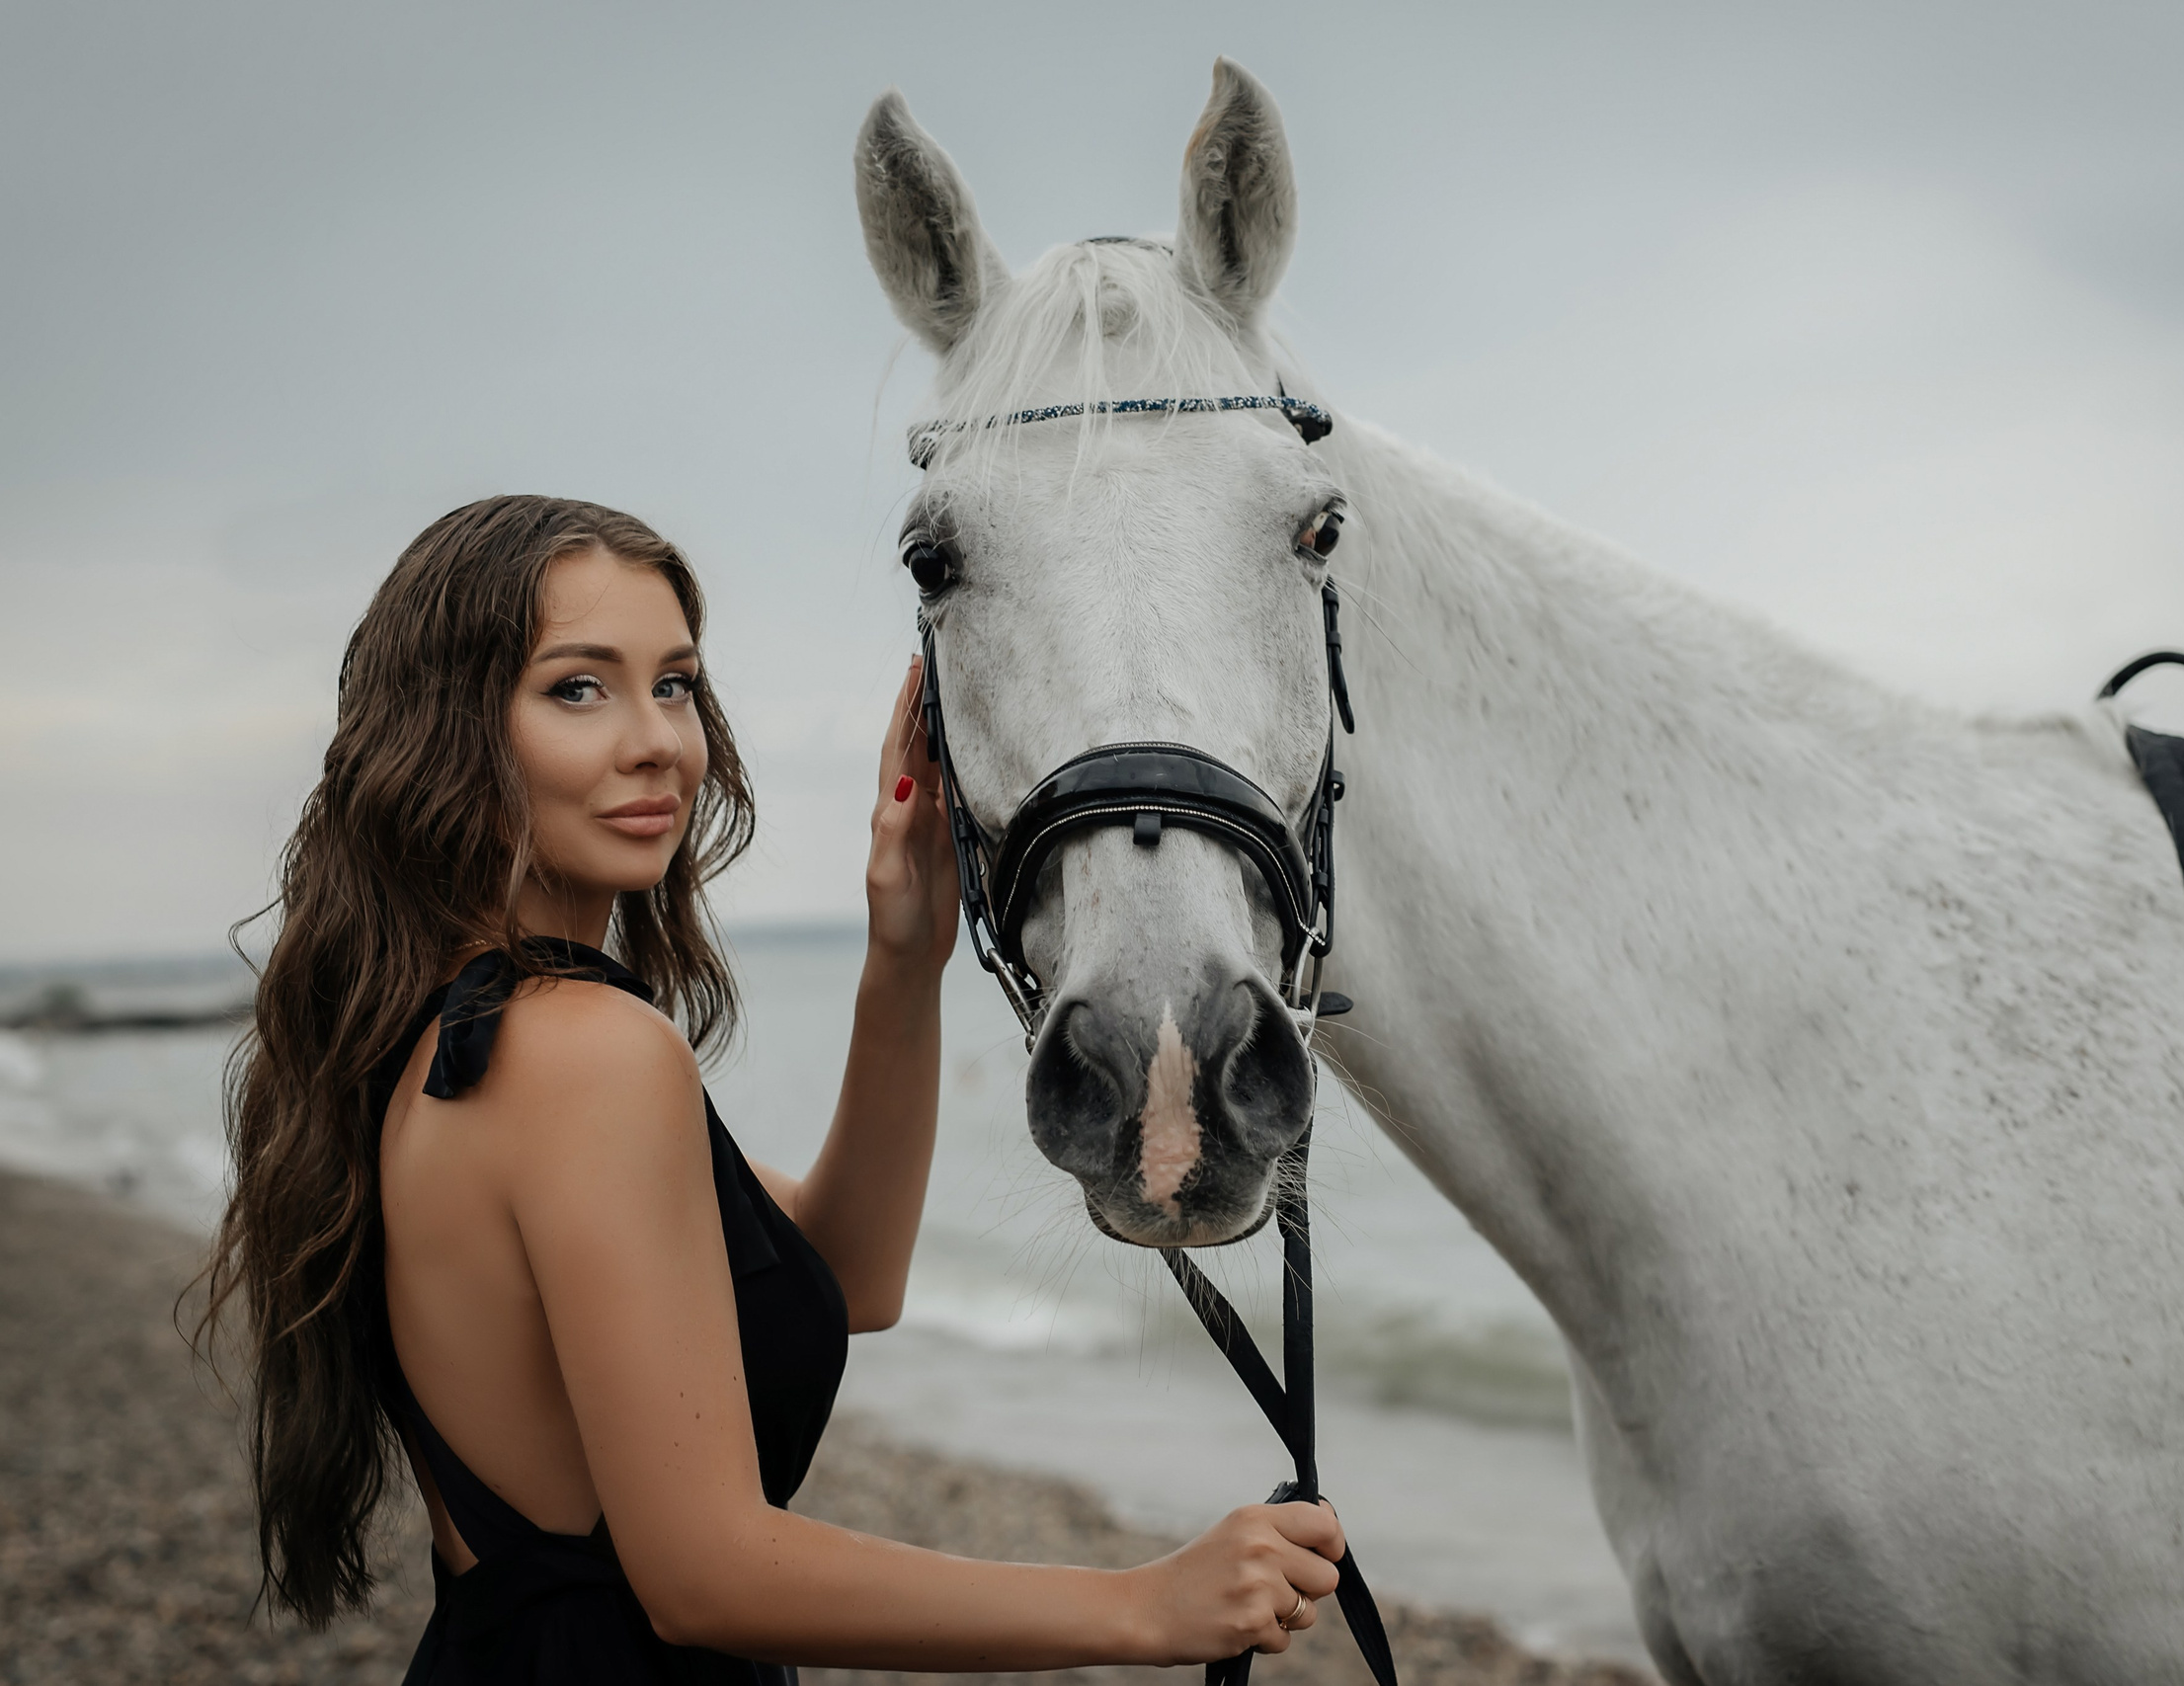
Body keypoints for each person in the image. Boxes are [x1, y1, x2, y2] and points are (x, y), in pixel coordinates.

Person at [199, 494, 1344, 1682]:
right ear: (449, 730)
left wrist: (902, 958)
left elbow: (846, 1275)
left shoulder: (460, 1033)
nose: (657, 741)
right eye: (578, 689)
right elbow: (706, 1576)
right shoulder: (583, 1052)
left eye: (677, 684)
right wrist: (1146, 1606)